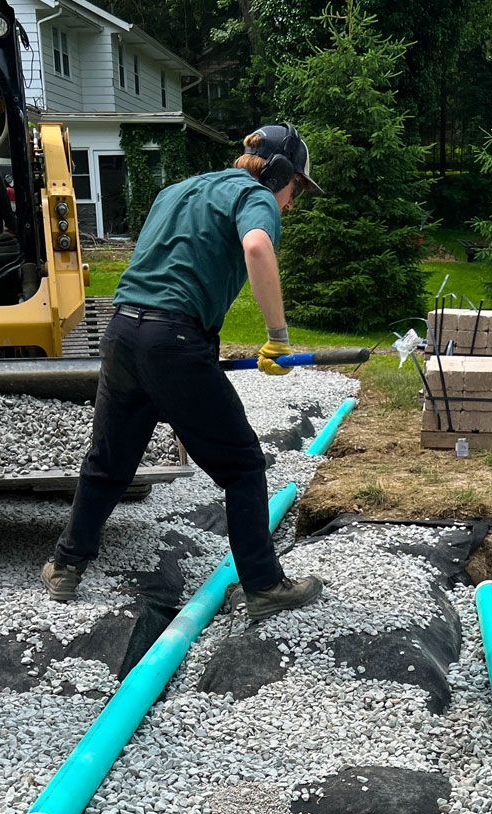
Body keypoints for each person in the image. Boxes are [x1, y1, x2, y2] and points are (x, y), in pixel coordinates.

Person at [43, 124, 326, 621]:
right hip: (172, 339)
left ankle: (65, 566)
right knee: (241, 467)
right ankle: (264, 585)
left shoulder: (178, 190)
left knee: (110, 462)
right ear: (280, 174)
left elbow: (166, 261)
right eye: (296, 188)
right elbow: (257, 248)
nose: (292, 202)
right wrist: (278, 337)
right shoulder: (254, 196)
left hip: (124, 331)